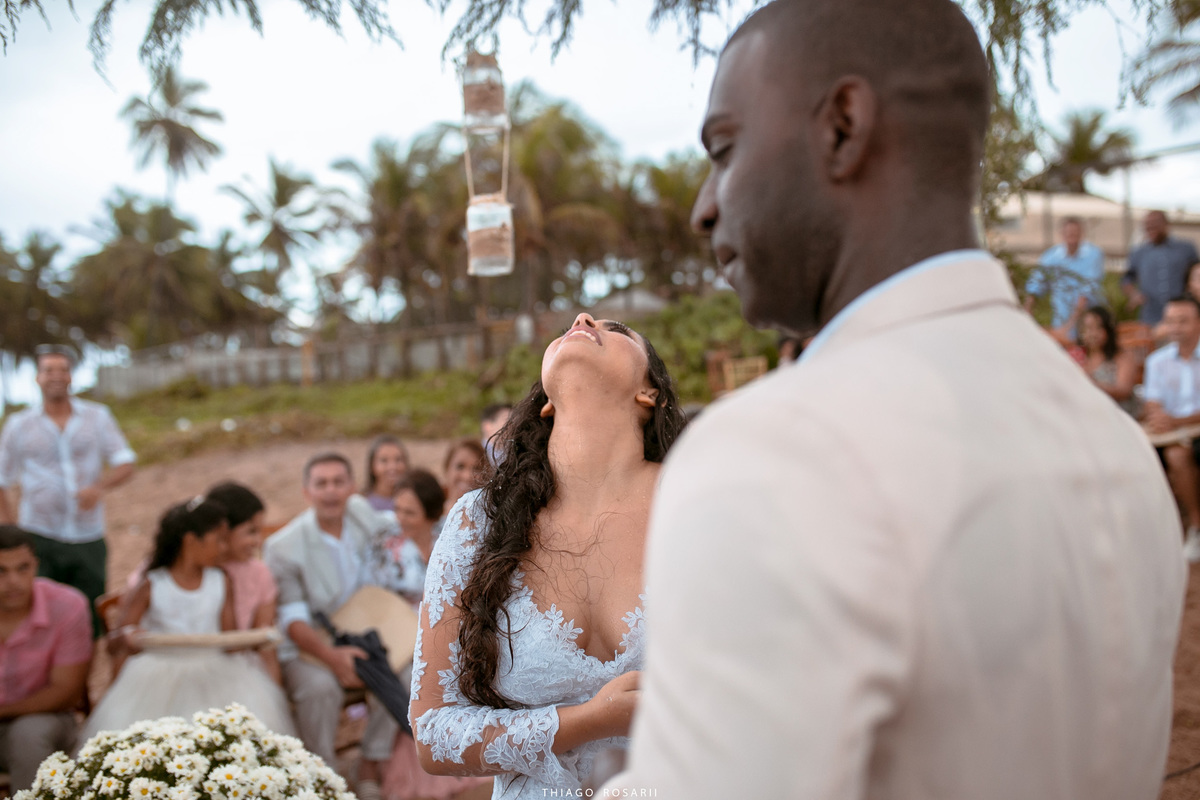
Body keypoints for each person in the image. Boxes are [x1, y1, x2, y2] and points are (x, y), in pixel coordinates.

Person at [607, 2, 1186, 798]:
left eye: (725, 149)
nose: (704, 205)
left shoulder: (776, 455)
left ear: (843, 126)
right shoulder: (1116, 450)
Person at [408, 313, 685, 798]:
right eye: (573, 324)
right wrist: (588, 721)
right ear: (546, 403)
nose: (583, 319)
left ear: (649, 393)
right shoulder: (480, 521)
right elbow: (433, 733)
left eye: (616, 329)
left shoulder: (695, 500)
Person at [80, 497, 295, 743]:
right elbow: (115, 643)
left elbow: (229, 640)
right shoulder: (152, 585)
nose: (225, 548)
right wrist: (128, 638)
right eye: (219, 540)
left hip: (218, 673)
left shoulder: (221, 581)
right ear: (191, 540)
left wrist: (258, 638)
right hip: (157, 679)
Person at [263, 452, 400, 795]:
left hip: (368, 629)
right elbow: (292, 621)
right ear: (306, 492)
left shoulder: (363, 514)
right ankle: (324, 774)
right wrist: (333, 658)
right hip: (312, 642)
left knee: (410, 670)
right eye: (321, 484)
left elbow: (402, 527)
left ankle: (370, 760)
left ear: (352, 487)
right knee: (319, 688)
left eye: (339, 482)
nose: (331, 492)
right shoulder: (283, 548)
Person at [0, 345, 136, 635]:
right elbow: (2, 477)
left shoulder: (98, 417)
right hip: (39, 533)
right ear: (37, 377)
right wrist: (11, 528)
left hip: (87, 534)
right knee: (39, 616)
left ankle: (84, 678)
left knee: (89, 617)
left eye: (63, 369)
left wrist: (99, 487)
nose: (56, 376)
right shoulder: (18, 425)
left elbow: (125, 462)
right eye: (49, 370)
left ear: (72, 376)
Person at [379, 469, 491, 800]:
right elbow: (381, 600)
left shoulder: (454, 534)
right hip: (402, 635)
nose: (401, 518)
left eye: (409, 512)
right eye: (397, 510)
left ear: (429, 512)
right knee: (416, 677)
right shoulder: (388, 547)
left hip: (457, 626)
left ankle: (469, 748)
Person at [0, 525, 91, 791]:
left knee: (28, 735)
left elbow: (66, 692)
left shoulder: (67, 606)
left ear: (36, 566)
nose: (13, 581)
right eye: (1, 571)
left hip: (47, 719)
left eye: (22, 568)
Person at [206, 480, 282, 682]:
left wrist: (274, 699)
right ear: (222, 531)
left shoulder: (259, 573)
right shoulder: (191, 569)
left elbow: (265, 644)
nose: (258, 542)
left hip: (241, 672)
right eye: (251, 531)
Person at [1143, 295, 1200, 562]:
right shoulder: (1157, 360)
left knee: (1178, 454)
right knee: (1173, 454)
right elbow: (1153, 402)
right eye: (1170, 321)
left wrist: (1175, 421)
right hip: (1172, 433)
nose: (1175, 327)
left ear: (1198, 323)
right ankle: (1193, 529)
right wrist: (1160, 417)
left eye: (1183, 321)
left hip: (1191, 431)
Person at [1024, 216, 1107, 327]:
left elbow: (1086, 292)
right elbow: (1036, 283)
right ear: (1062, 234)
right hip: (1060, 320)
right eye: (1069, 233)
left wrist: (1068, 327)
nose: (1072, 237)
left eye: (1075, 233)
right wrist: (1028, 308)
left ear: (1082, 233)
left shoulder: (1094, 254)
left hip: (1089, 322)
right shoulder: (1050, 257)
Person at [1124, 210, 1200, 326]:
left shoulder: (1186, 249)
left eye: (1155, 224)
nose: (1150, 227)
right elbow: (1127, 278)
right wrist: (1133, 293)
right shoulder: (1139, 253)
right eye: (1147, 225)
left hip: (1181, 315)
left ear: (1166, 224)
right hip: (1151, 315)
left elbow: (1196, 272)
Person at [1068, 305, 1140, 417]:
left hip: (1119, 414)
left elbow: (1124, 390)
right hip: (1086, 413)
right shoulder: (1077, 356)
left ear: (1108, 330)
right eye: (1087, 328)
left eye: (1098, 328)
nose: (1092, 333)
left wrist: (1092, 385)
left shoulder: (1122, 356)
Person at [439, 438, 486, 526]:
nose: (467, 476)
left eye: (476, 468)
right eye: (460, 466)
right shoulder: (429, 510)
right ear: (447, 468)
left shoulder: (489, 518)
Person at [363, 435, 411, 513]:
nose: (392, 467)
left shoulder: (416, 502)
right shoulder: (363, 503)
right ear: (372, 466)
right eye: (384, 461)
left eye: (398, 460)